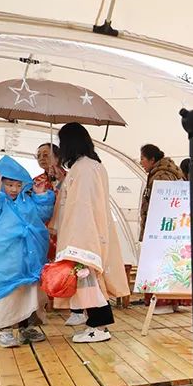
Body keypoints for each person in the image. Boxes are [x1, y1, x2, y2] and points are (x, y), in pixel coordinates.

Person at [51, 122, 131, 343]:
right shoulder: (88, 166)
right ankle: (95, 324)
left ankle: (99, 326)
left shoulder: (85, 168)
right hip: (87, 232)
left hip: (84, 234)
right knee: (88, 283)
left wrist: (77, 239)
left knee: (89, 282)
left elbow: (83, 205)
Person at [0, 156, 55, 348]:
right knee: (7, 293)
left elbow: (42, 216)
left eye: (18, 185)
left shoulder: (26, 201)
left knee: (30, 292)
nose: (14, 189)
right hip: (4, 258)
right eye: (9, 185)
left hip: (30, 256)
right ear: (0, 182)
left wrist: (40, 196)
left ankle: (27, 328)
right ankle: (4, 331)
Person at [137, 143, 186, 314]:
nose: (141, 162)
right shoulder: (166, 172)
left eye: (143, 158)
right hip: (167, 229)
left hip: (161, 230)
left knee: (160, 264)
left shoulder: (162, 175)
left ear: (152, 159)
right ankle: (171, 301)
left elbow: (164, 206)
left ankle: (163, 302)